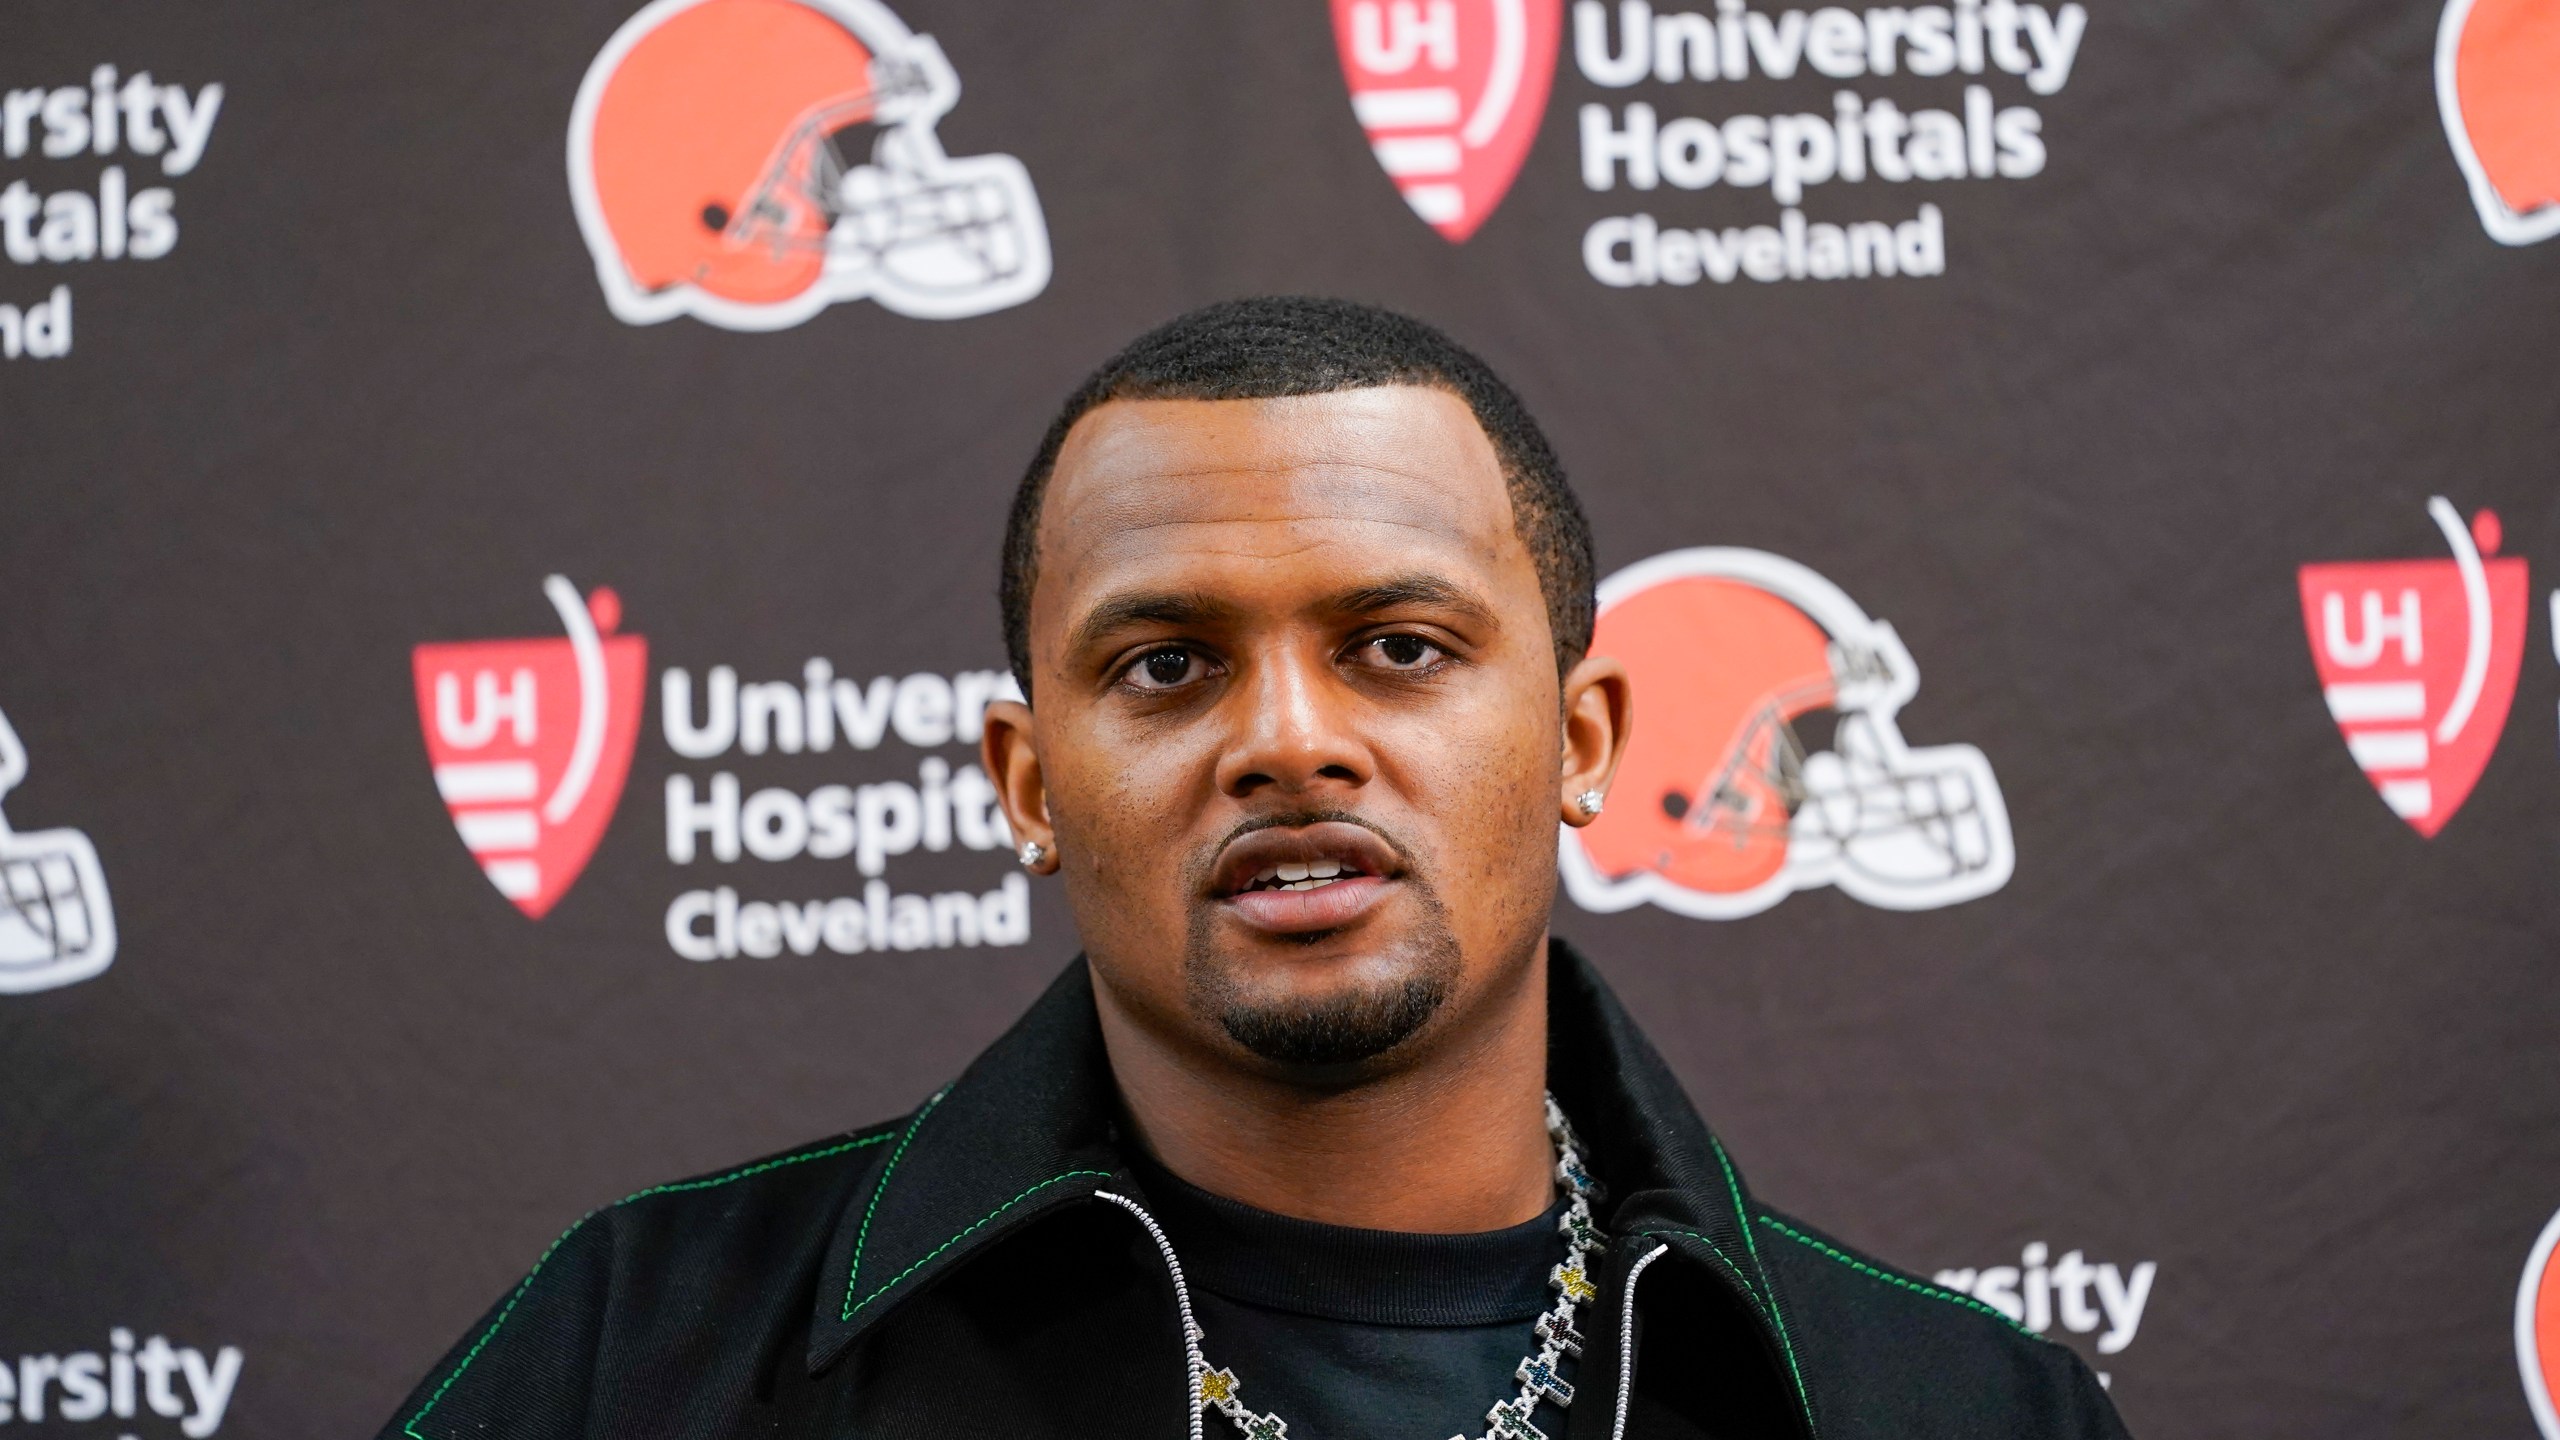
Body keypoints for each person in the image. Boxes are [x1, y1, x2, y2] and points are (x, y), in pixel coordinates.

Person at [378, 297, 2131, 1440]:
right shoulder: (645, 1358)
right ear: (1029, 779)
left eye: (1399, 647)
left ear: (1587, 740)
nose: (1288, 741)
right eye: (1167, 665)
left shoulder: (1952, 1410)